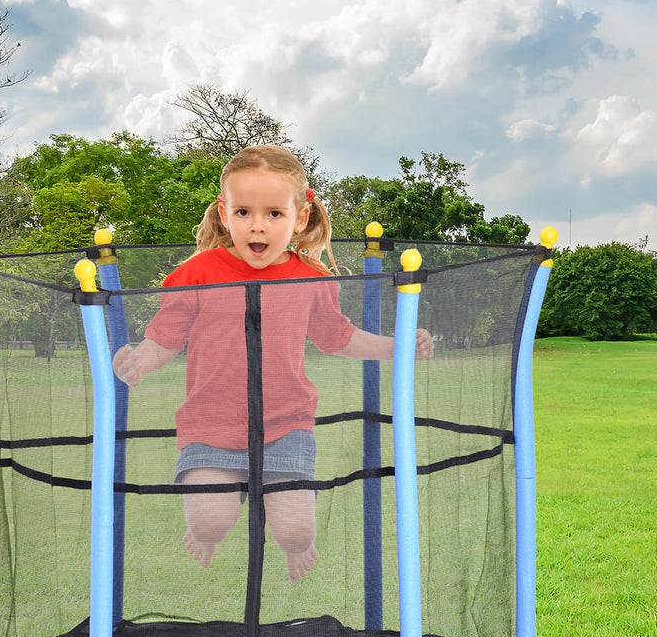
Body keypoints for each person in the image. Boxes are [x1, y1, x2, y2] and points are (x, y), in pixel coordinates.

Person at [113, 145, 433, 583]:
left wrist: (394, 347)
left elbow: (338, 338)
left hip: (285, 425)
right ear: (224, 213)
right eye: (243, 212)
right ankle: (206, 532)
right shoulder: (197, 273)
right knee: (210, 521)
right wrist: (139, 362)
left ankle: (297, 542)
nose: (257, 225)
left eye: (274, 214)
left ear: (300, 218)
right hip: (211, 425)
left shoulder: (311, 278)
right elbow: (165, 339)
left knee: (295, 531)